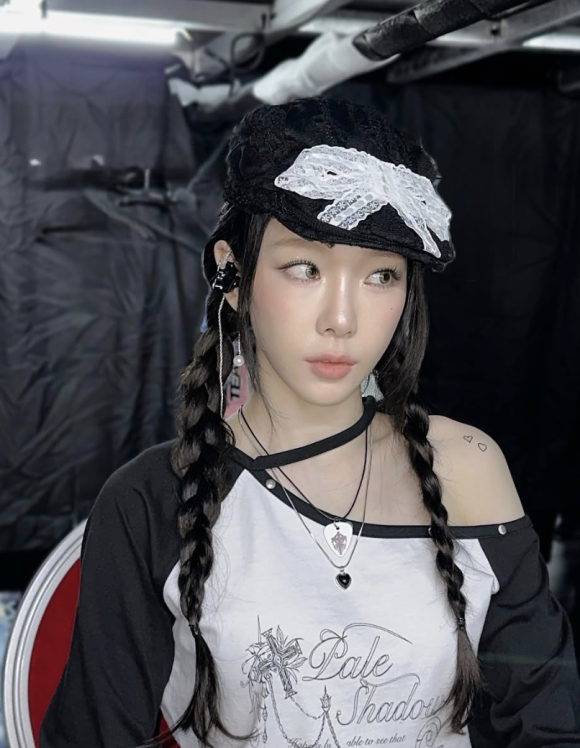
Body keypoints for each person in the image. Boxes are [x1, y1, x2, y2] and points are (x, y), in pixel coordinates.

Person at [40, 97, 580, 748]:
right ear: (232, 273)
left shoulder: (466, 466)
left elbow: (550, 720)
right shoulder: (152, 499)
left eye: (381, 275)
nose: (342, 319)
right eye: (306, 268)